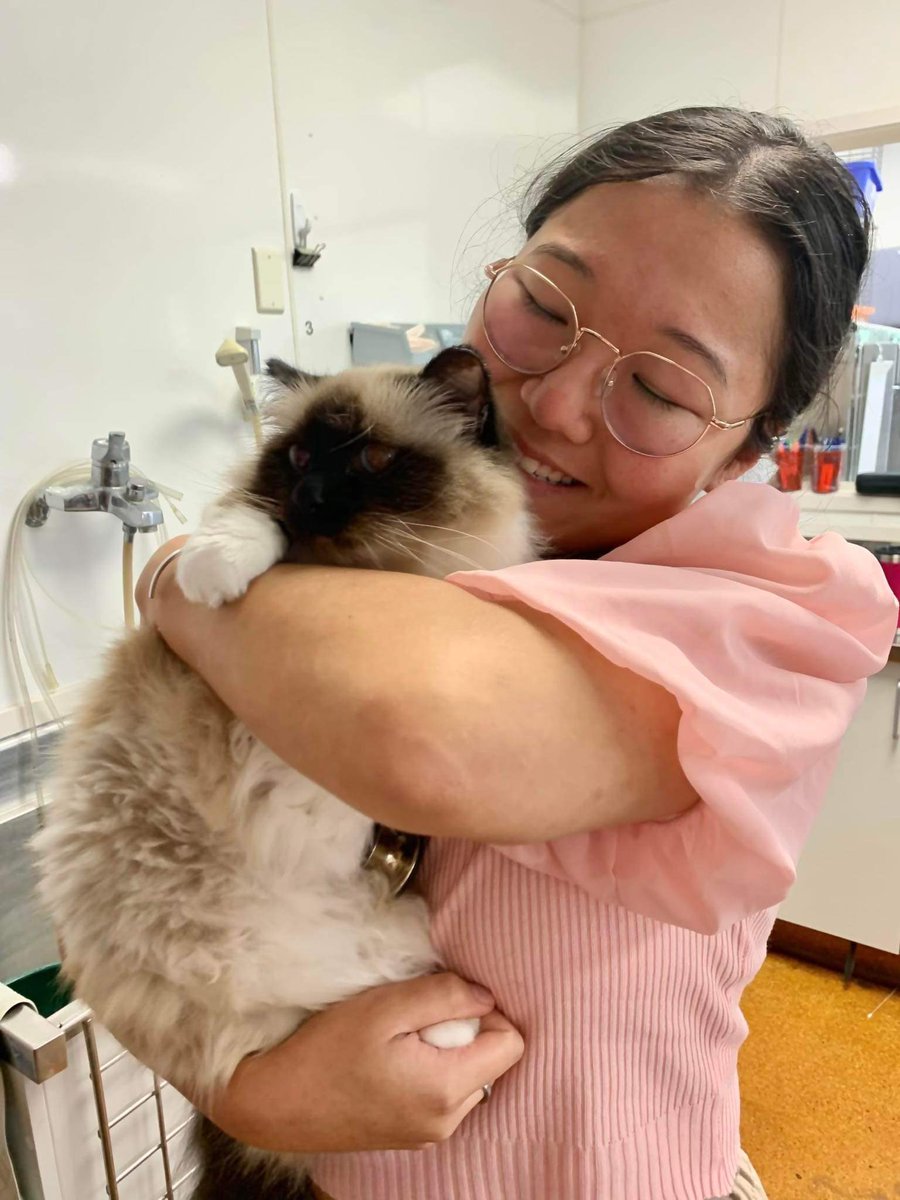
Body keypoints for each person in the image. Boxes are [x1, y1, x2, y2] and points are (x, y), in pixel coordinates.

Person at [137, 107, 898, 1200]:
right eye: (542, 307)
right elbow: (155, 890)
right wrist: (246, 1092)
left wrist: (177, 576)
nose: (553, 404)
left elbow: (416, 738)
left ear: (746, 451)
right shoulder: (420, 538)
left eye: (661, 389)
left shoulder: (771, 616)